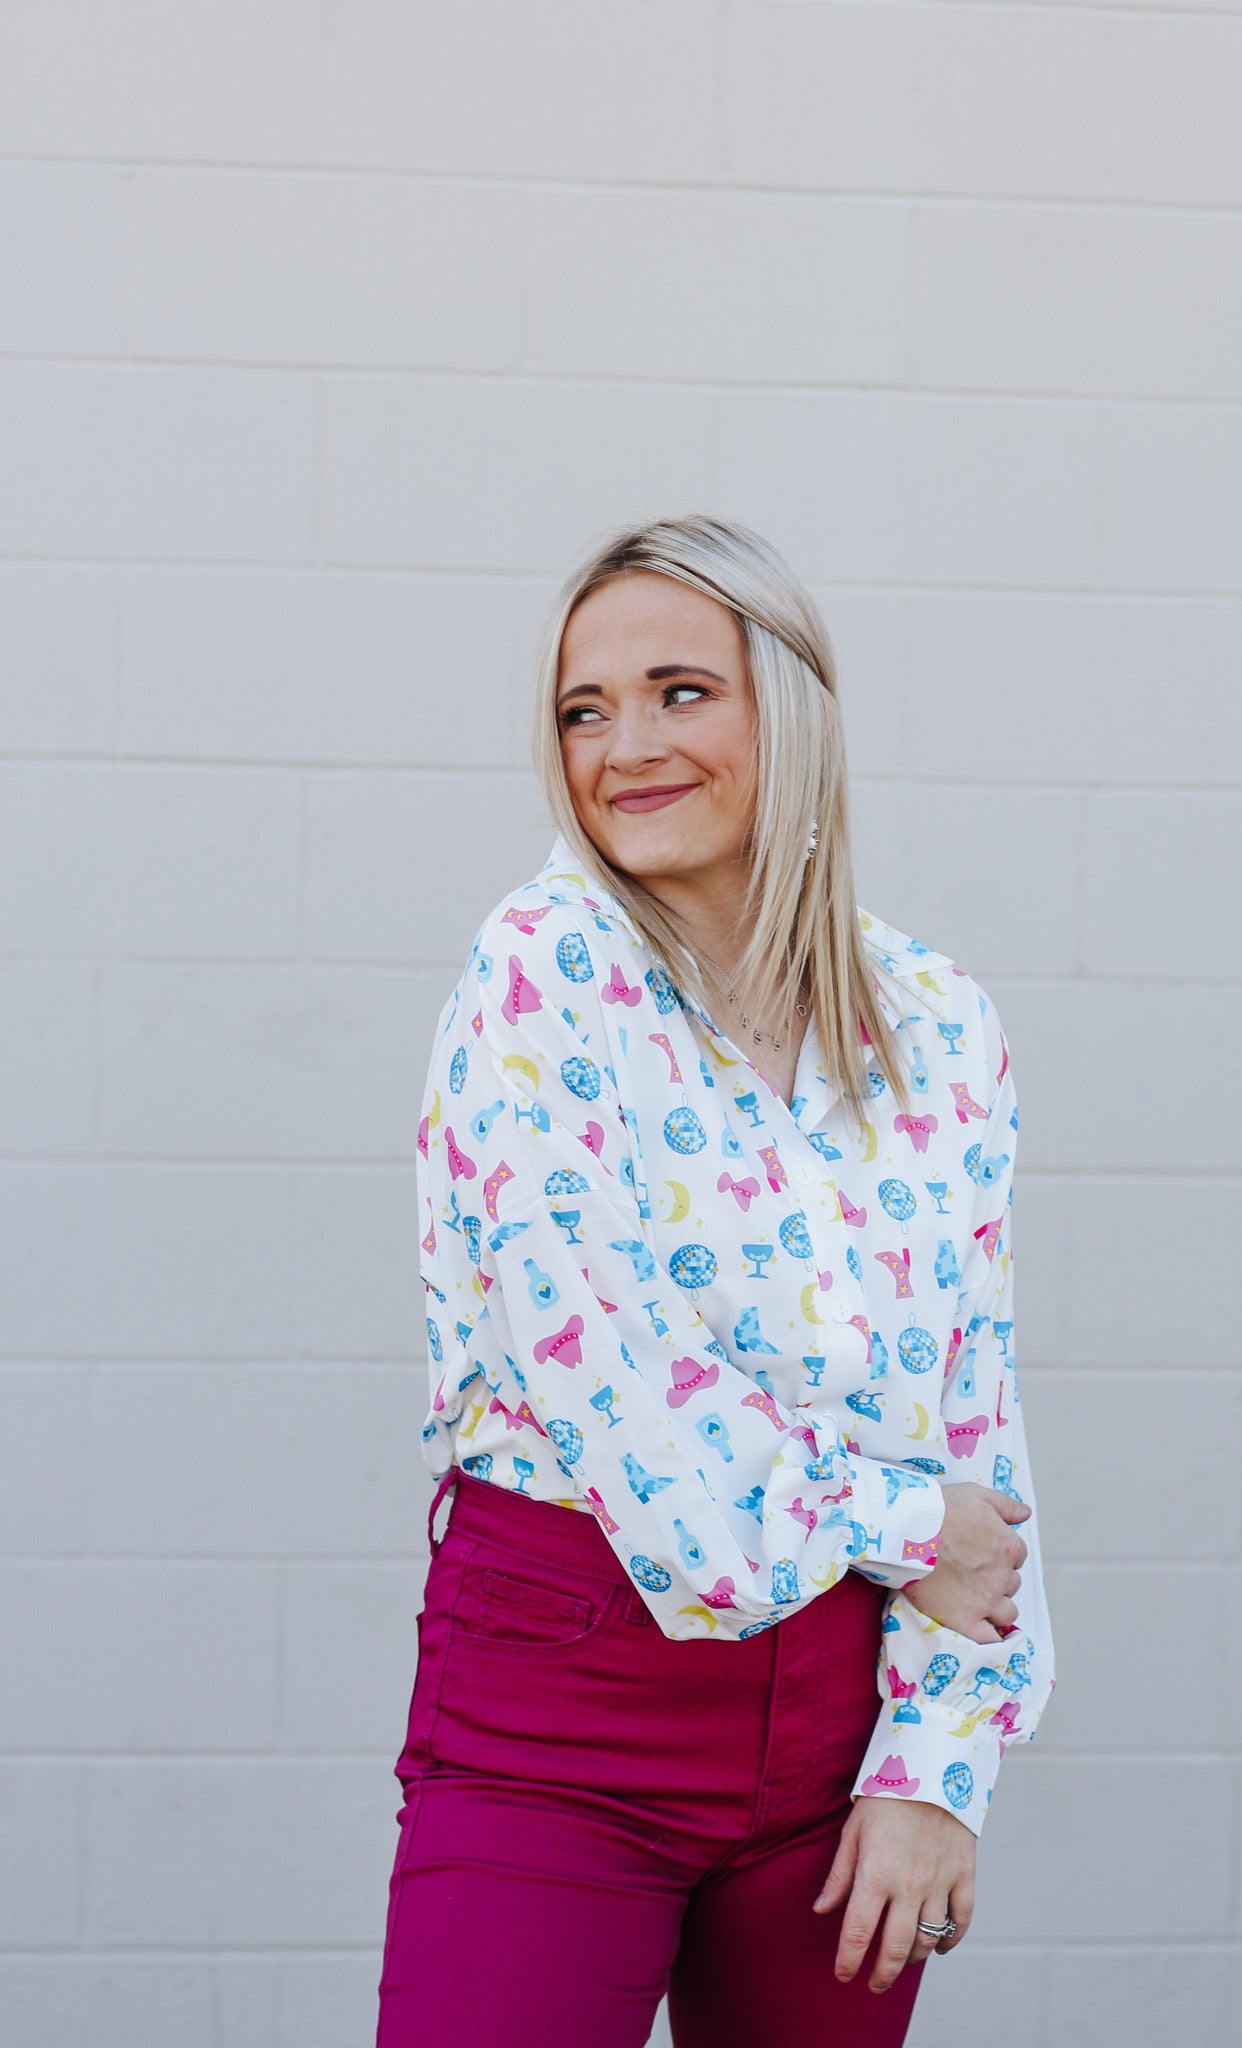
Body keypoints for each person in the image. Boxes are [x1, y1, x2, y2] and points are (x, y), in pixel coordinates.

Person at [375, 514, 1055, 2048]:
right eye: (582, 709)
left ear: (788, 712)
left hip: (844, 1717)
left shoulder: (937, 1023)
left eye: (680, 690)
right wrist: (905, 1530)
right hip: (564, 1697)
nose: (625, 745)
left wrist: (933, 1770)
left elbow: (974, 1421)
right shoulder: (540, 974)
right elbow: (627, 1406)